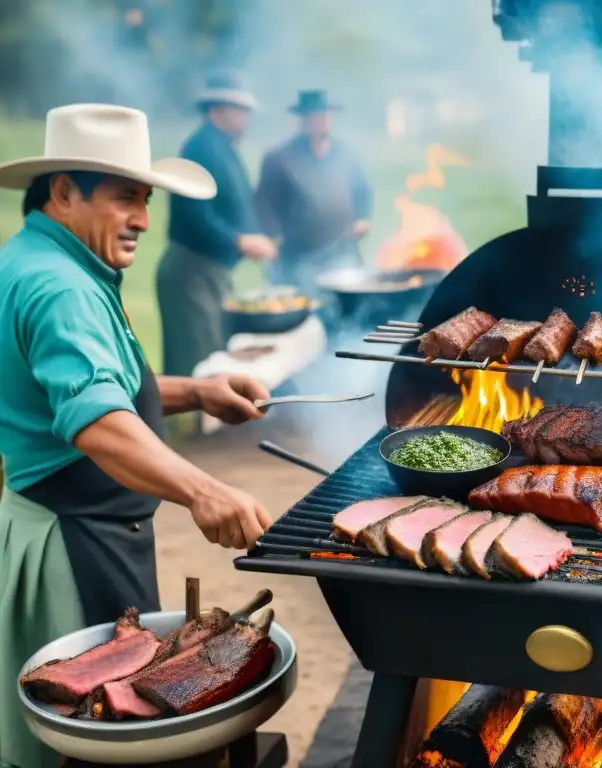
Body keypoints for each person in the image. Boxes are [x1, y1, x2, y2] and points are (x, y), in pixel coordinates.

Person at [0, 103, 275, 768]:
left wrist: (195, 390)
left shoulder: (39, 258)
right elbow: (95, 422)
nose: (144, 221)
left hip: (75, 528)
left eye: (146, 201)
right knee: (98, 741)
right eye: (125, 198)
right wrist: (204, 490)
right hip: (74, 546)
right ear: (63, 191)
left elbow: (76, 389)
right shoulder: (59, 286)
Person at [156, 70, 277, 377]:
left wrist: (261, 236)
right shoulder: (199, 148)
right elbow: (196, 215)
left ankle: (202, 425)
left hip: (211, 273)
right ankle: (185, 427)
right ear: (219, 108)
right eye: (242, 110)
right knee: (197, 364)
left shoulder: (224, 147)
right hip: (191, 273)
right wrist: (241, 241)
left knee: (212, 354)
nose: (247, 118)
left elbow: (238, 204)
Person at [254, 89, 372, 298]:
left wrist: (363, 217)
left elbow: (362, 190)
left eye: (324, 115)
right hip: (300, 257)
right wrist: (273, 236)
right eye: (314, 116)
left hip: (342, 253)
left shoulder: (346, 154)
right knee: (309, 313)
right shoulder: (280, 157)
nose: (320, 121)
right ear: (302, 119)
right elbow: (264, 204)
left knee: (345, 310)